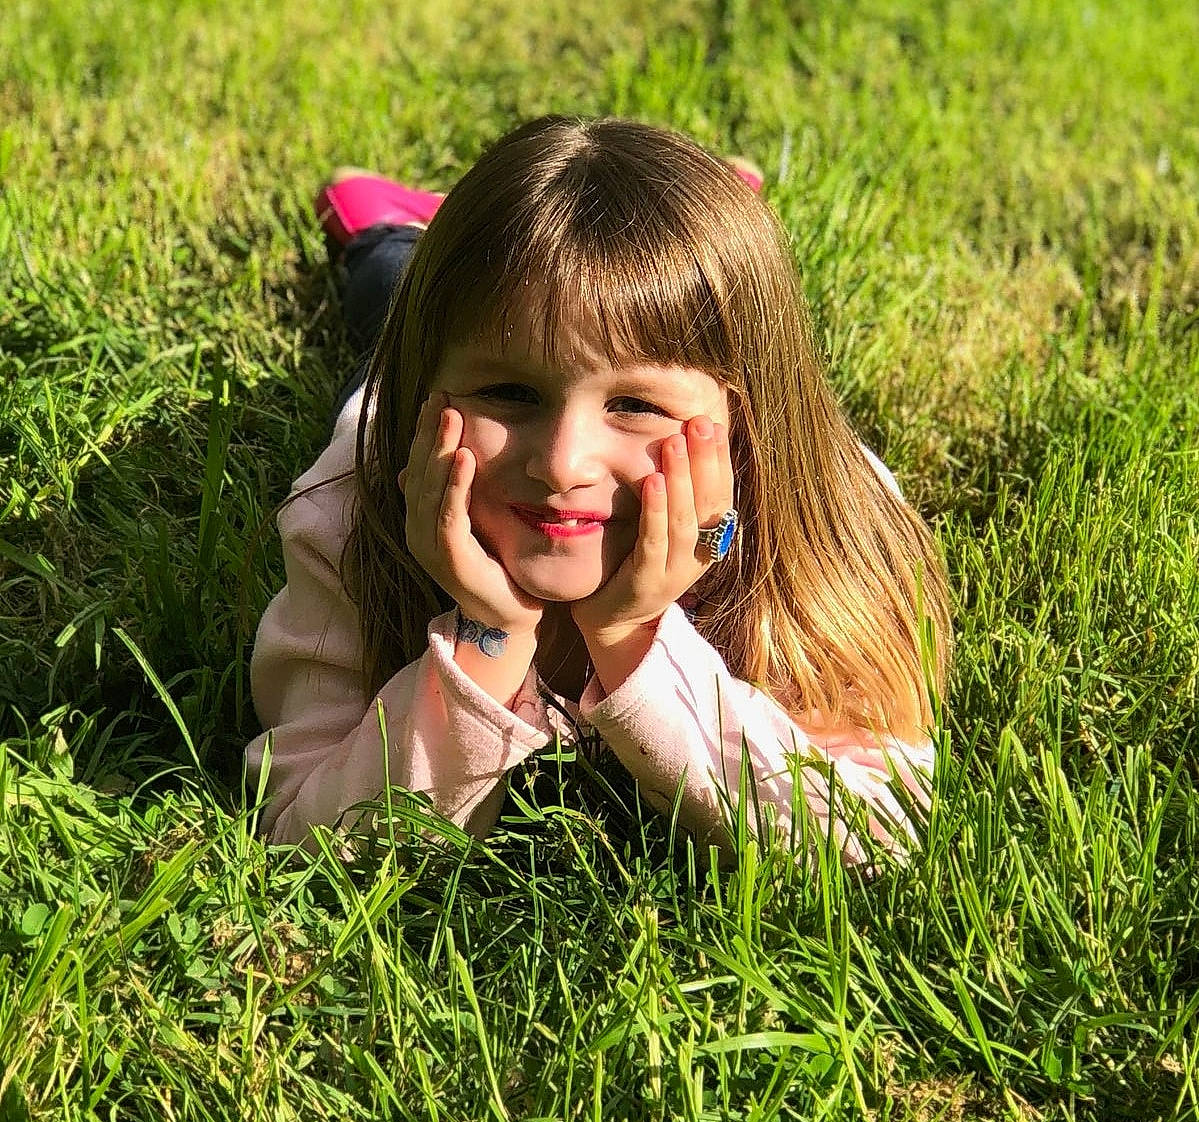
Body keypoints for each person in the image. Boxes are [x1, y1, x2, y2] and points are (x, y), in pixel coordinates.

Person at [246, 115, 953, 865]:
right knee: (388, 288)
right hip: (386, 388)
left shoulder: (825, 520)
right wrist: (489, 634)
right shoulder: (351, 511)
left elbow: (871, 837)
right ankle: (394, 231)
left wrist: (632, 638)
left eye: (636, 406)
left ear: (739, 428)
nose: (562, 464)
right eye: (511, 391)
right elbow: (302, 837)